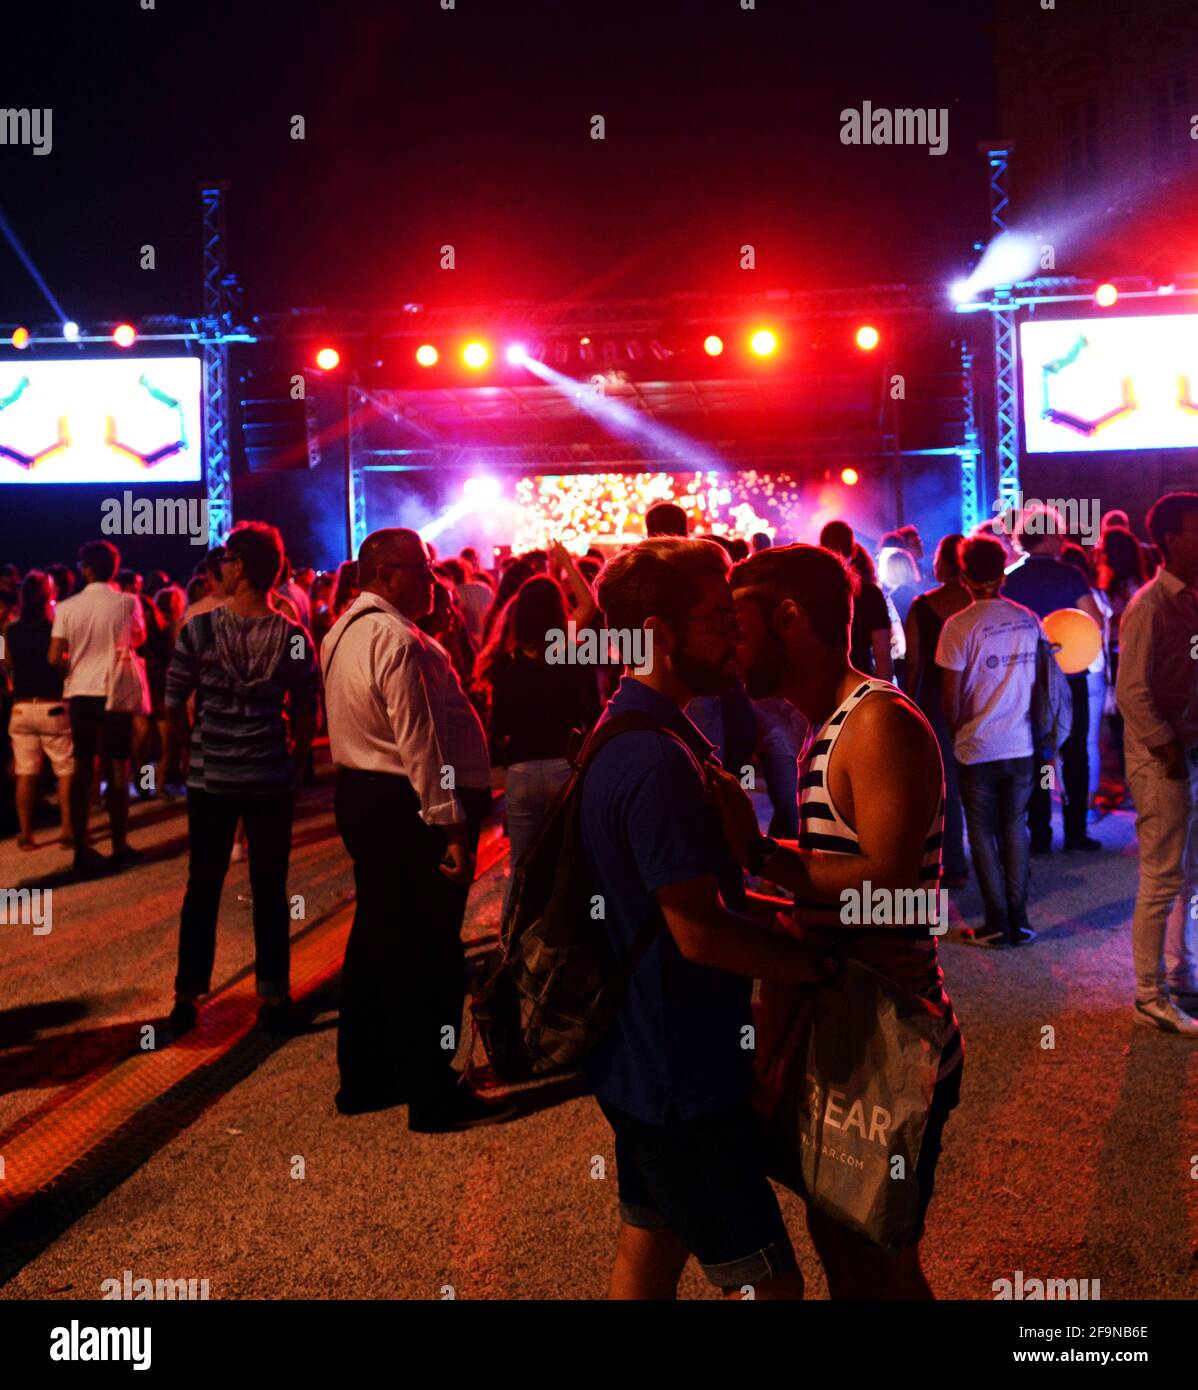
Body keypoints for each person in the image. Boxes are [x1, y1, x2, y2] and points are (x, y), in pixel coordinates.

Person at [707, 541, 961, 1298]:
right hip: (853, 1040)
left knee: (882, 1263)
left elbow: (891, 889)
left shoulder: (877, 723)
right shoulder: (828, 724)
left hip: (896, 1040)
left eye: (739, 625)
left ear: (790, 619)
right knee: (845, 1250)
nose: (729, 645)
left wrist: (758, 853)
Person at [582, 537, 818, 1301]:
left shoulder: (638, 731)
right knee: (771, 1290)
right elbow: (699, 929)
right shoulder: (654, 760)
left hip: (642, 1066)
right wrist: (823, 969)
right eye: (718, 621)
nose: (737, 638)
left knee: (646, 1262)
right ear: (657, 633)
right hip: (683, 1081)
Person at [321, 527, 511, 1129]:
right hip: (406, 805)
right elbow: (420, 744)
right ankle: (432, 1090)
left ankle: (367, 1076)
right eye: (422, 569)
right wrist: (450, 824)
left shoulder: (341, 631)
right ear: (385, 574)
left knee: (378, 940)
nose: (433, 580)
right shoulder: (397, 639)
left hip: (365, 797)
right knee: (428, 950)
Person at [164, 522, 321, 1036]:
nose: (223, 568)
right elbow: (305, 704)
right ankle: (274, 996)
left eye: (229, 560)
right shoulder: (294, 637)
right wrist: (296, 759)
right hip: (269, 776)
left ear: (243, 567)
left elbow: (173, 700)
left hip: (213, 779)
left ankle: (187, 997)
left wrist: (190, 748)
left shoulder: (199, 630)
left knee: (202, 885)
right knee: (270, 888)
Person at [1115, 493, 1198, 1035]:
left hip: (1184, 753)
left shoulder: (1190, 599)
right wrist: (1167, 749)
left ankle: (1180, 971)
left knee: (1186, 875)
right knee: (1162, 876)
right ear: (1171, 538)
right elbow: (1132, 691)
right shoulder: (1148, 605)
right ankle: (1150, 994)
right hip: (1162, 760)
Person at [937, 536, 1042, 947]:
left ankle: (997, 922)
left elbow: (951, 703)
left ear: (963, 576)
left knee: (981, 832)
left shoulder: (958, 626)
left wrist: (961, 723)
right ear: (1003, 573)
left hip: (977, 746)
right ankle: (1019, 918)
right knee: (1015, 828)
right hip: (1021, 743)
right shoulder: (1028, 619)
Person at [478, 573, 602, 914]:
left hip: (523, 770)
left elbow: (499, 725)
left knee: (522, 865)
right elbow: (593, 713)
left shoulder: (506, 664)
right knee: (570, 863)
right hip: (566, 768)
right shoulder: (574, 656)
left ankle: (512, 943)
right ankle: (566, 943)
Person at [1002, 505, 1104, 853]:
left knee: (1037, 757)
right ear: (1046, 537)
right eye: (1057, 534)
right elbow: (1094, 623)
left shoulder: (1009, 578)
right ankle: (1075, 832)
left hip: (1027, 680)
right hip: (1069, 675)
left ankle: (1040, 832)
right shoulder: (1071, 576)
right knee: (1074, 754)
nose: (1062, 540)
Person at [48, 539, 146, 872]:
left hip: (81, 691)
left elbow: (54, 655)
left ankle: (81, 845)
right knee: (118, 767)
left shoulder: (66, 607)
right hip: (115, 691)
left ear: (86, 569)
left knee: (82, 768)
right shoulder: (127, 602)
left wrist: (72, 661)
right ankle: (119, 843)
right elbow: (139, 639)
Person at [903, 534, 971, 882]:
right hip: (977, 695)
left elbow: (914, 663)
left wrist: (909, 705)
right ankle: (999, 856)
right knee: (982, 777)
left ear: (941, 563)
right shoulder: (978, 604)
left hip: (934, 698)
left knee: (948, 784)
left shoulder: (922, 605)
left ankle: (955, 862)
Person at [4, 570, 74, 850]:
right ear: (49, 596)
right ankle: (68, 830)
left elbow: (6, 663)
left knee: (25, 772)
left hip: (21, 708)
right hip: (52, 706)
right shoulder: (54, 627)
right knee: (65, 770)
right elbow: (59, 661)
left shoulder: (10, 630)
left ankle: (25, 833)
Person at [1060, 542, 1111, 819]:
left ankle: (1069, 798)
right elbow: (1104, 629)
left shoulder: (1059, 593)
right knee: (1088, 741)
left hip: (1064, 672)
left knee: (1060, 744)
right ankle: (1087, 804)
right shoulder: (1097, 596)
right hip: (1092, 672)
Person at [1098, 525, 1147, 792]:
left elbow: (1121, 621)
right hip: (1128, 653)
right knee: (1128, 718)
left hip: (1120, 654)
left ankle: (1131, 783)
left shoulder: (1123, 585)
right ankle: (1132, 781)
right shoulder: (1139, 581)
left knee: (1123, 719)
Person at [819, 521, 892, 679]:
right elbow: (883, 657)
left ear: (821, 548)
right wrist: (882, 698)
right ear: (854, 550)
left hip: (819, 684)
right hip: (860, 686)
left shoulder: (811, 590)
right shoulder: (870, 593)